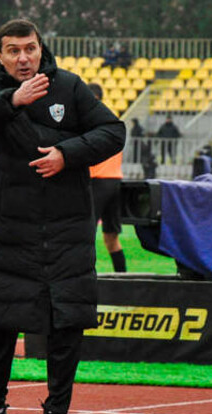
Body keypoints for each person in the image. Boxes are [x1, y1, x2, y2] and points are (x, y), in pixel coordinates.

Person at [0, 19, 125, 414]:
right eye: (13, 50)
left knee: (66, 322)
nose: (23, 57)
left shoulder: (68, 85)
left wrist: (67, 153)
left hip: (68, 227)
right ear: (0, 56)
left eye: (29, 48)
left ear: (41, 48)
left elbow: (113, 131)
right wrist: (13, 99)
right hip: (11, 225)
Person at [87, 83, 127, 273]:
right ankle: (123, 279)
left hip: (97, 181)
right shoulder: (111, 119)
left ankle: (85, 278)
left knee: (85, 234)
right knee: (111, 237)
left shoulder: (89, 120)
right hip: (114, 181)